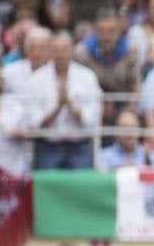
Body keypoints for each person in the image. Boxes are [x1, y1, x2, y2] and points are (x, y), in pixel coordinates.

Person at [29, 31, 102, 170]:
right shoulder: (36, 79)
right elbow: (33, 124)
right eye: (55, 50)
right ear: (49, 52)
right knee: (47, 191)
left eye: (64, 50)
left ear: (72, 51)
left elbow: (92, 119)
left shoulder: (87, 77)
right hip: (48, 147)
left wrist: (70, 105)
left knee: (81, 190)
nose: (60, 55)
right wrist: (57, 108)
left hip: (79, 147)